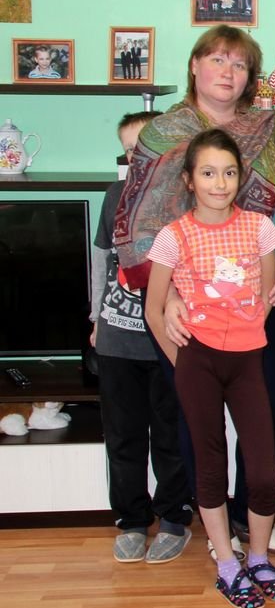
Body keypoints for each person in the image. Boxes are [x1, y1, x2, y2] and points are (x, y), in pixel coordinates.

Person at [114, 24, 275, 557]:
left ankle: (251, 515)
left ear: (251, 78)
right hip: (184, 305)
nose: (227, 72)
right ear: (195, 66)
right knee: (200, 421)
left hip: (254, 298)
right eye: (217, 59)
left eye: (239, 64)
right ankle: (218, 529)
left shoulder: (269, 131)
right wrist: (167, 295)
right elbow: (137, 219)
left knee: (274, 404)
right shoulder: (161, 134)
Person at [145, 128, 275, 608]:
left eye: (229, 173)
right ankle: (228, 565)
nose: (219, 183)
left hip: (247, 359)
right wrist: (184, 364)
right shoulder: (173, 236)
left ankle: (258, 558)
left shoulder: (260, 228)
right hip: (198, 363)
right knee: (210, 466)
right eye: (208, 173)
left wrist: (242, 333)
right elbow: (154, 310)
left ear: (241, 177)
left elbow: (266, 296)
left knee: (263, 473)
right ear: (190, 180)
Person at [90, 110, 196, 564]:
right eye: (129, 151)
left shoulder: (186, 200)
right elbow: (101, 260)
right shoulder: (115, 196)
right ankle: (131, 520)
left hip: (169, 339)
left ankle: (174, 517)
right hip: (118, 338)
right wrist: (96, 317)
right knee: (123, 436)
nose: (138, 159)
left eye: (145, 148)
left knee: (172, 434)